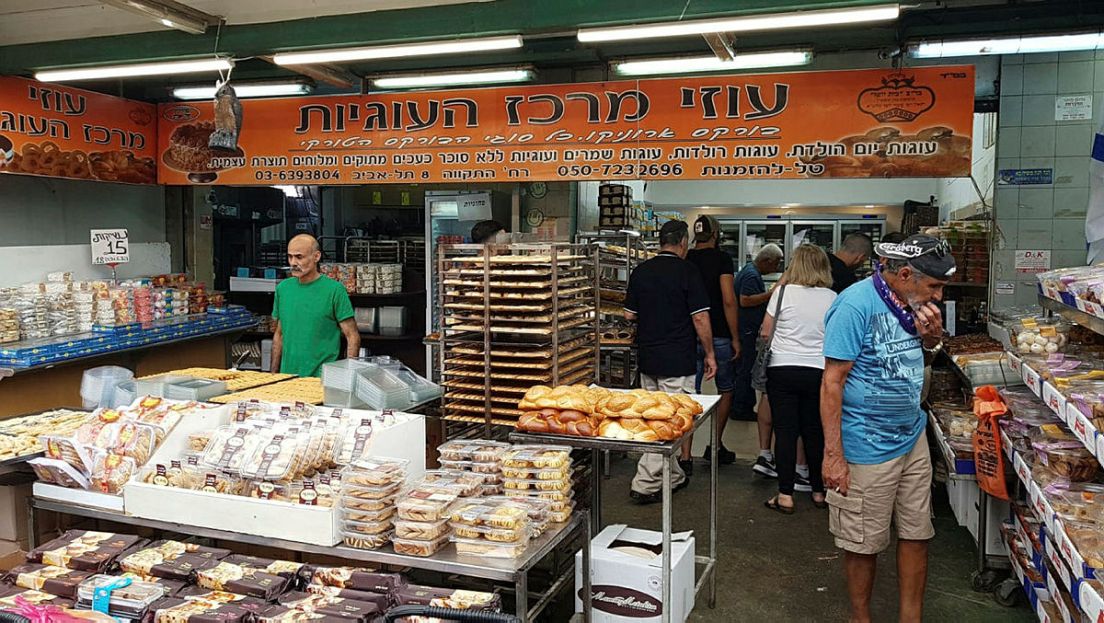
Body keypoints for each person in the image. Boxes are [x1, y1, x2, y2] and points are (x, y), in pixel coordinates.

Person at [821, 234, 955, 623]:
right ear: (905, 274)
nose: (939, 295)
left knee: (917, 533)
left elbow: (918, 360)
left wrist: (932, 341)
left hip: (911, 437)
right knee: (863, 543)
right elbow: (832, 382)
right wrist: (834, 456)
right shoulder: (855, 305)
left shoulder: (916, 305)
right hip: (866, 445)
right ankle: (860, 618)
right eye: (934, 285)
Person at [624, 220, 717, 504]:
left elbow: (629, 315)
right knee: (669, 421)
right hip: (677, 359)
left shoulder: (641, 271)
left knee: (652, 418)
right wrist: (710, 353)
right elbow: (700, 317)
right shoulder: (688, 271)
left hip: (648, 358)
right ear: (683, 243)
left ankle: (674, 475)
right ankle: (645, 483)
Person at [760, 245, 837, 514]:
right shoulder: (833, 297)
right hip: (818, 371)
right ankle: (818, 491)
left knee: (785, 432)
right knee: (814, 432)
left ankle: (785, 495)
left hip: (782, 369)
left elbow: (765, 332)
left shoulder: (782, 293)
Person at [686, 215, 741, 465]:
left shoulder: (685, 258)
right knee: (725, 388)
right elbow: (728, 299)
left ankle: (685, 454)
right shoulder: (722, 259)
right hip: (719, 333)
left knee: (689, 393)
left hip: (690, 334)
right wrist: (736, 337)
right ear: (716, 234)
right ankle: (715, 445)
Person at [271, 234, 361, 377]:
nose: (293, 262)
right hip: (287, 378)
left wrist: (348, 377)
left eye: (299, 257)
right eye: (290, 257)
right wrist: (273, 374)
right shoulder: (283, 289)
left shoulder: (334, 290)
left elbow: (352, 336)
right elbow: (279, 334)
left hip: (322, 378)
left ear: (316, 257)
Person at [734, 244, 783, 477]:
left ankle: (742, 405)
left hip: (748, 327)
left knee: (746, 368)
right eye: (775, 263)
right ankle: (741, 407)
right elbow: (745, 300)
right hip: (747, 328)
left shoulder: (750, 272)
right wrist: (771, 295)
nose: (776, 267)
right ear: (766, 261)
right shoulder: (751, 275)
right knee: (746, 370)